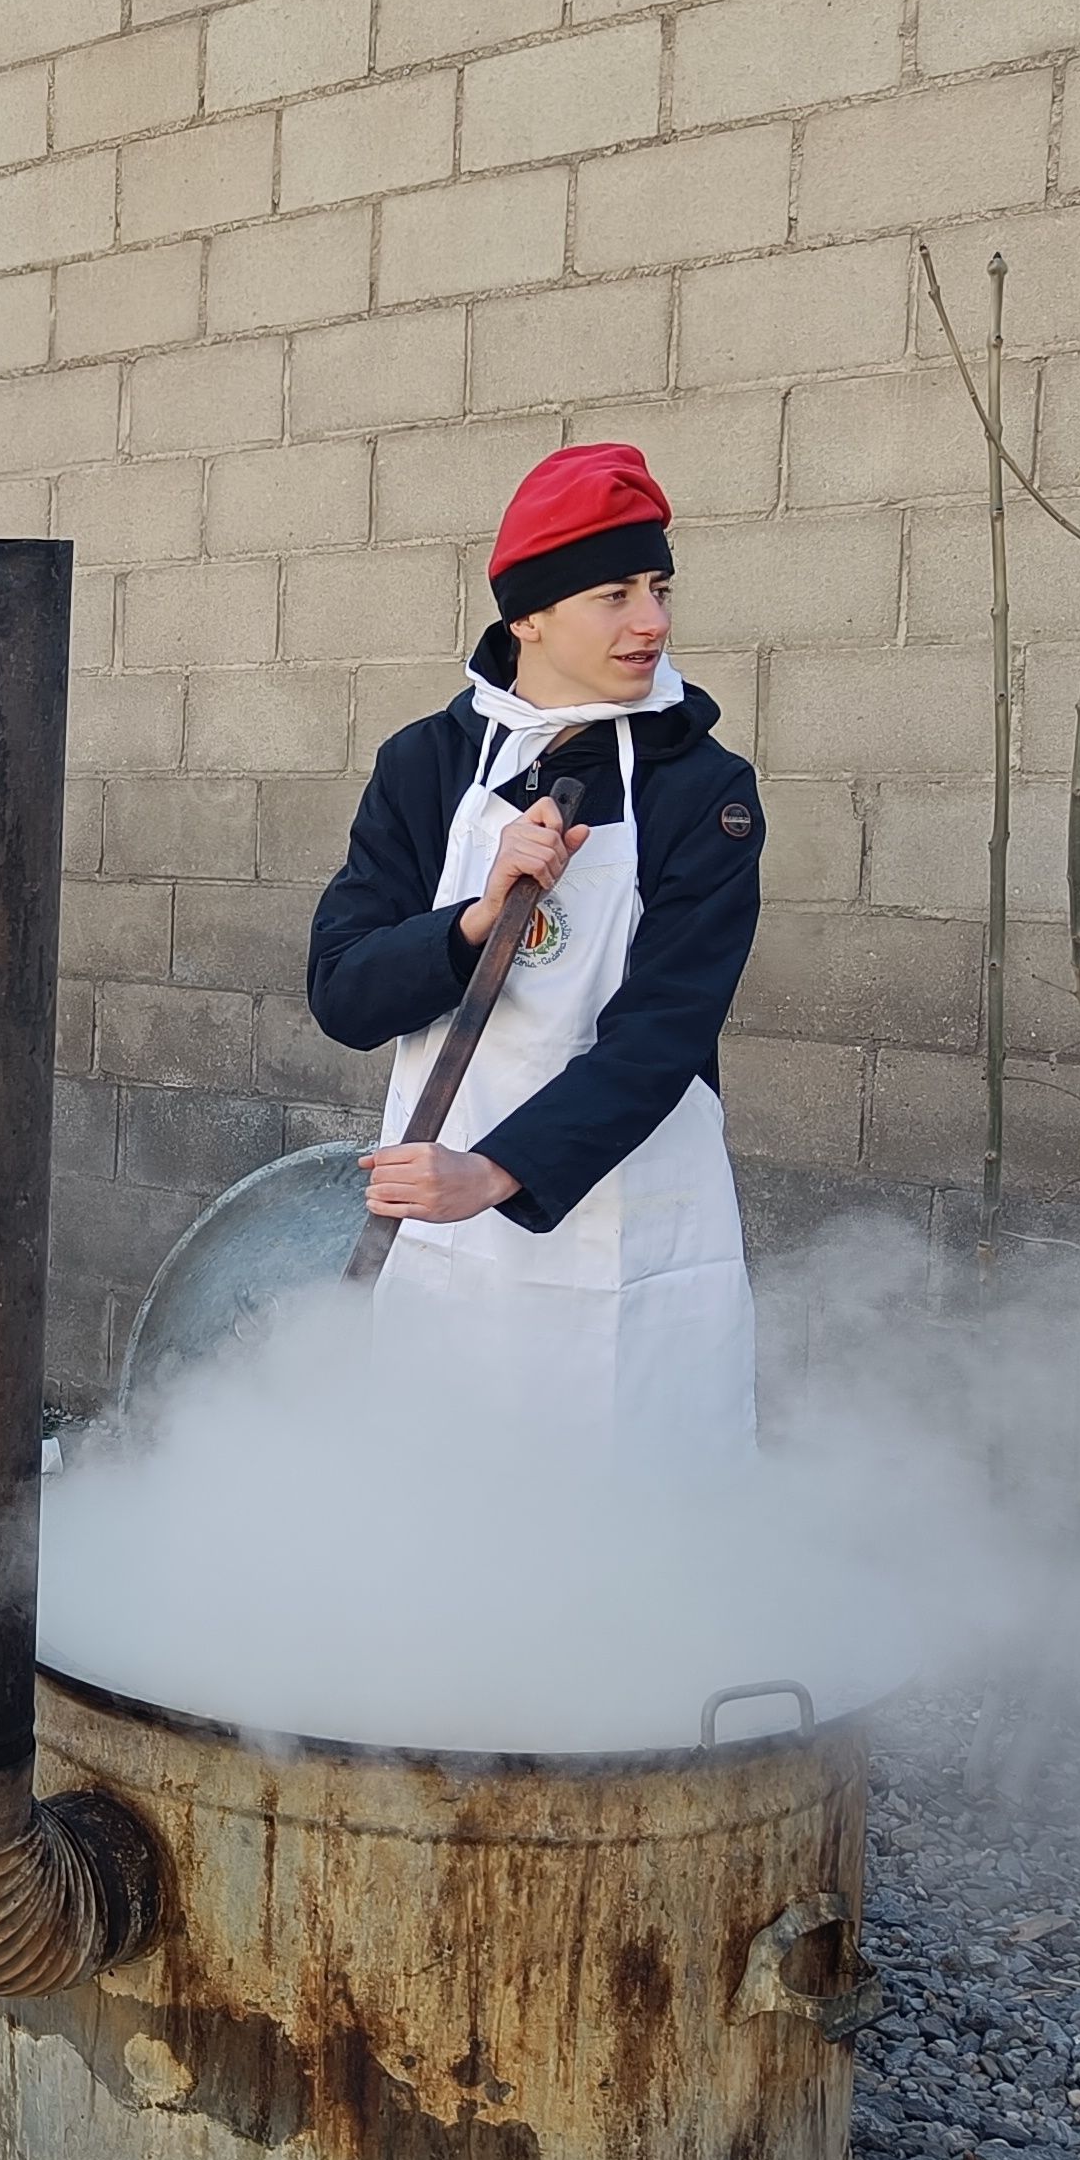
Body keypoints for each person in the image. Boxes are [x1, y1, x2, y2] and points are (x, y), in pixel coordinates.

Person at [307, 442, 766, 1461]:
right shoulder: (426, 764)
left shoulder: (701, 788)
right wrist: (474, 920)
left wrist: (501, 1170)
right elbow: (342, 991)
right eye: (613, 594)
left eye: (658, 588)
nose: (650, 621)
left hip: (625, 1218)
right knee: (442, 1492)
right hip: (439, 1216)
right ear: (528, 616)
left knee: (621, 1498)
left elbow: (661, 1035)